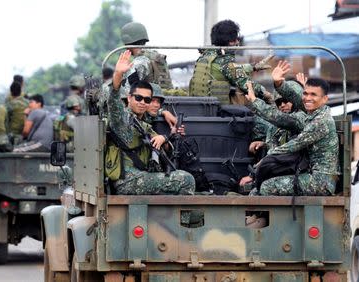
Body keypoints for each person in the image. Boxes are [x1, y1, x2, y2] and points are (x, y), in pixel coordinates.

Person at [105, 50, 195, 195]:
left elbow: (165, 148)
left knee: (181, 177)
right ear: (129, 98)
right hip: (127, 180)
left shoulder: (143, 124)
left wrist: (166, 137)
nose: (142, 103)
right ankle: (179, 218)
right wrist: (118, 75)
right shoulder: (121, 119)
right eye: (138, 98)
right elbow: (113, 101)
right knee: (186, 180)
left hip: (141, 176)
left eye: (147, 100)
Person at [244, 78, 339, 196]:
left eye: (313, 95)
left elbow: (292, 146)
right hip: (310, 174)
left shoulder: (319, 122)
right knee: (256, 191)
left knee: (267, 187)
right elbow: (293, 101)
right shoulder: (313, 115)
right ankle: (259, 214)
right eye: (305, 93)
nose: (308, 98)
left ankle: (275, 215)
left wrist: (266, 159)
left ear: (325, 99)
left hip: (321, 182)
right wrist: (279, 84)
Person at [189, 19, 273, 105]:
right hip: (217, 111)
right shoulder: (224, 63)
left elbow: (231, 70)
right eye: (235, 39)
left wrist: (254, 67)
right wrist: (268, 95)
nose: (237, 42)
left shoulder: (206, 56)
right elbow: (247, 84)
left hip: (200, 106)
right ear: (229, 41)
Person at [120, 22, 173, 90]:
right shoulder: (155, 55)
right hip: (166, 97)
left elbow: (127, 90)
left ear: (127, 41)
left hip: (149, 99)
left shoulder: (139, 61)